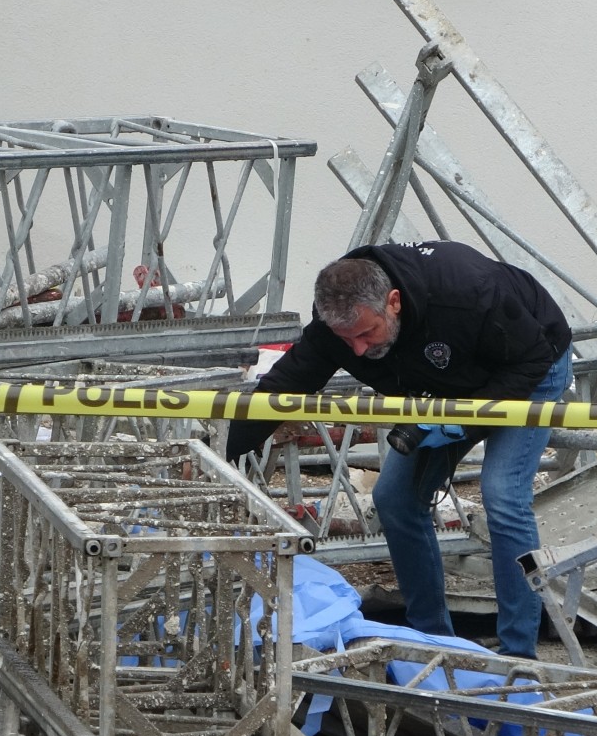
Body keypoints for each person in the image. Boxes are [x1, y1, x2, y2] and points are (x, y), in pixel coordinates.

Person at [226, 240, 574, 659]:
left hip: (532, 366)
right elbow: (283, 387)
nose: (356, 349)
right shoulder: (341, 320)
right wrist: (223, 450)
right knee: (393, 498)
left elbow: (530, 358)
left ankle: (519, 654)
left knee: (502, 495)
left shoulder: (469, 293)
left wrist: (460, 421)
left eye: (365, 334)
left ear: (393, 303)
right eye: (345, 338)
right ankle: (432, 640)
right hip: (447, 385)